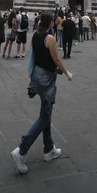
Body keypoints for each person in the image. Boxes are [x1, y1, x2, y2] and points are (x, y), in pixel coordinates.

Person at [11, 13, 73, 175]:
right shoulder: (50, 38)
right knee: (44, 116)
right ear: (51, 23)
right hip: (47, 81)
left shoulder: (34, 36)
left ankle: (48, 148)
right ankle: (22, 150)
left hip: (37, 78)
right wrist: (67, 73)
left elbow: (33, 57)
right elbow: (57, 60)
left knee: (46, 113)